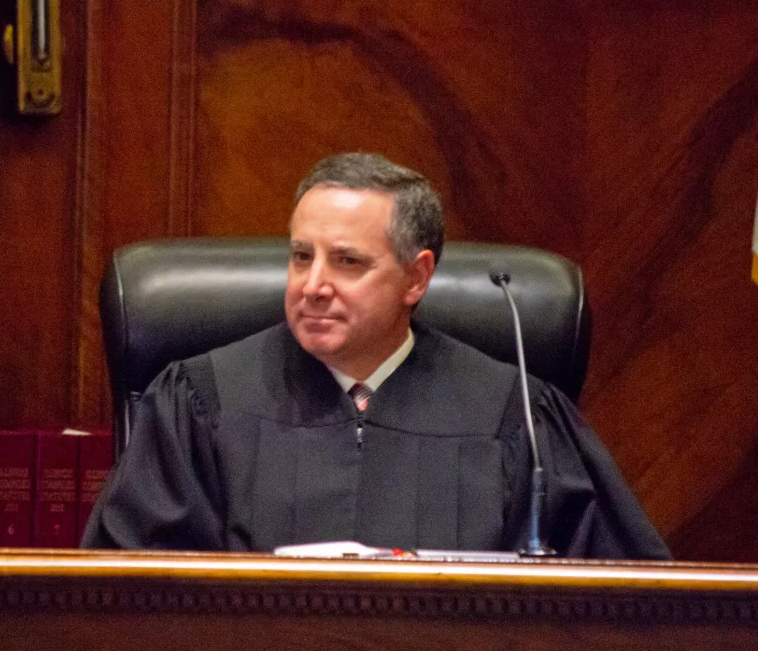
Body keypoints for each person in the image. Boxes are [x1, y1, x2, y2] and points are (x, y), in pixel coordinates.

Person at [81, 153, 671, 559]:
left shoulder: (513, 416)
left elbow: (621, 603)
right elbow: (131, 601)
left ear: (417, 279)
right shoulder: (201, 402)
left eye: (347, 262)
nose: (312, 284)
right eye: (299, 256)